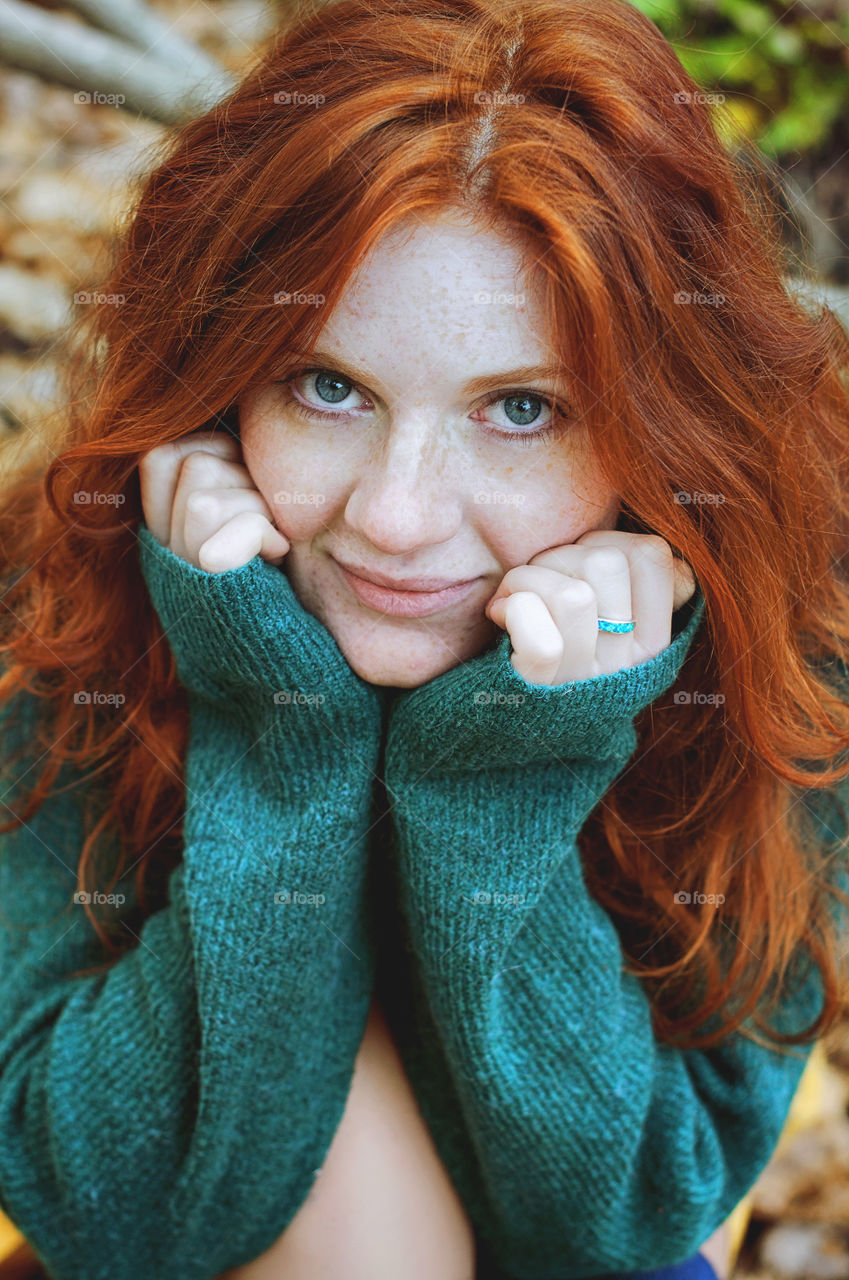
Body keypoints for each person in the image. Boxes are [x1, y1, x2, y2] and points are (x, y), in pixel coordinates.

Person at [1, 1, 848, 1278]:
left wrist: (504, 773)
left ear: (665, 428)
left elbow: (617, 1226)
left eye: (521, 408)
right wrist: (272, 718)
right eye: (327, 386)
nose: (395, 518)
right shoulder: (70, 588)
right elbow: (114, 1207)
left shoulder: (790, 645)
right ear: (222, 376)